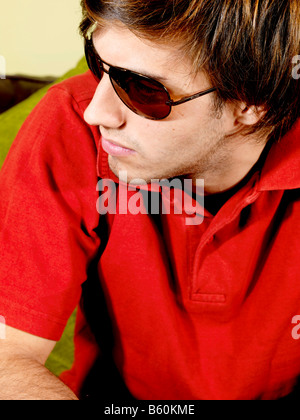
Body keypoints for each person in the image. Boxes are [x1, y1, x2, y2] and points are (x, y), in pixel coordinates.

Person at [0, 0, 299, 400]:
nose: (97, 112)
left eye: (142, 89)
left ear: (250, 102)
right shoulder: (70, 123)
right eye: (97, 63)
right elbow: (7, 357)